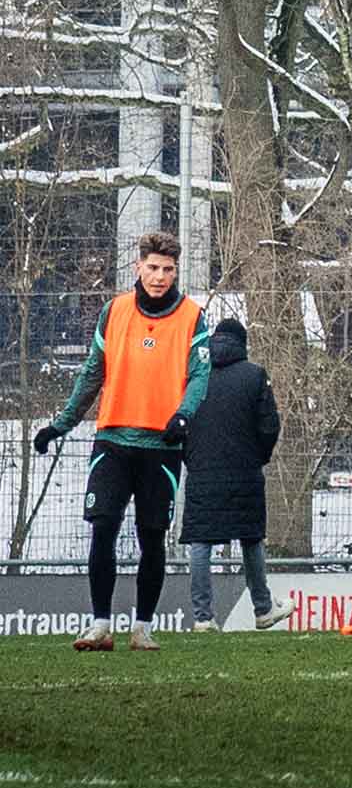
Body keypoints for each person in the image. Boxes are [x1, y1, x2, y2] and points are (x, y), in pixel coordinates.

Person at [36, 231, 210, 652]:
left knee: (152, 537)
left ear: (175, 271)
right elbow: (92, 374)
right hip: (112, 441)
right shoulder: (113, 312)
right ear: (138, 267)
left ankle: (143, 628)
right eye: (152, 267)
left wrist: (183, 415)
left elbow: (201, 375)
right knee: (103, 529)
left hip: (162, 447)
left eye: (168, 269)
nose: (159, 276)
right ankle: (99, 625)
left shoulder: (192, 316)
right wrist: (60, 424)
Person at [180, 318, 293, 633]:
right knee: (251, 537)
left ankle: (203, 617)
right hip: (245, 470)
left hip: (202, 471)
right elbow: (269, 425)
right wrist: (259, 456)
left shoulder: (193, 376)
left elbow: (180, 423)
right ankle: (263, 607)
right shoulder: (254, 375)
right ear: (242, 343)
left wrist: (191, 458)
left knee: (200, 540)